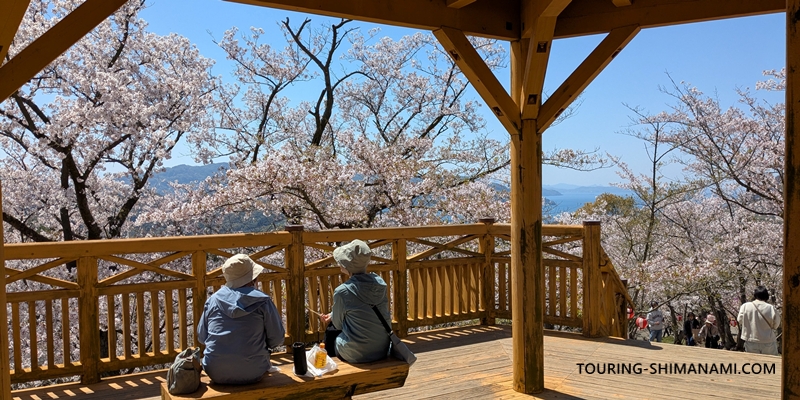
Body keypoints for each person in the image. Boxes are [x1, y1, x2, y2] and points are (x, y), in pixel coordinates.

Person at [198, 254, 285, 384]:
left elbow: (201, 337)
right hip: (254, 370)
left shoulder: (213, 301)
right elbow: (277, 338)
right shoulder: (263, 301)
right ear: (253, 278)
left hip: (215, 371)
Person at [320, 239, 391, 363]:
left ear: (346, 265)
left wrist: (332, 317)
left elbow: (338, 324)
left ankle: (330, 370)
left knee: (331, 330)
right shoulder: (380, 284)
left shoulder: (342, 291)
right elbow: (365, 309)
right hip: (382, 349)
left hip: (356, 354)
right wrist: (332, 315)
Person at [737, 285, 781, 355]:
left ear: (755, 295)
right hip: (767, 341)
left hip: (751, 340)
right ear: (766, 296)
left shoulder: (745, 306)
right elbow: (776, 324)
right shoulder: (771, 308)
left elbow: (740, 320)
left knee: (753, 363)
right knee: (771, 363)